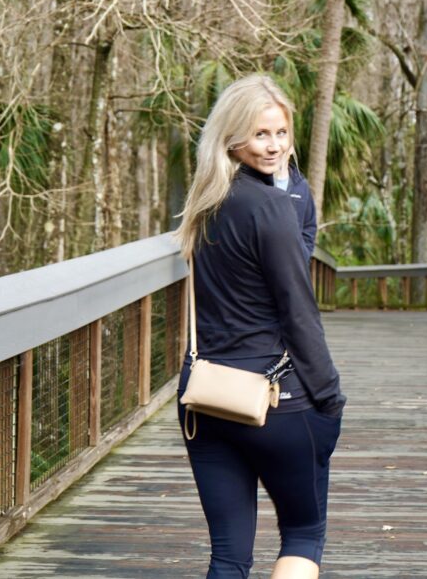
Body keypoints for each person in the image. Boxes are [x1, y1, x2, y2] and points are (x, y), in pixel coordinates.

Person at [172, 74, 345, 579]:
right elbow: (298, 311)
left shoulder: (202, 204)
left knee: (228, 556)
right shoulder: (269, 208)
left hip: (204, 398)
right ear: (233, 138)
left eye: (281, 133)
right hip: (276, 399)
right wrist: (330, 399)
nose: (274, 146)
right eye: (260, 134)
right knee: (303, 535)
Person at [274, 149, 317, 264]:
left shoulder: (302, 185)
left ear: (291, 148)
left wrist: (303, 256)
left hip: (293, 265)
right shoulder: (256, 183)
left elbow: (309, 226)